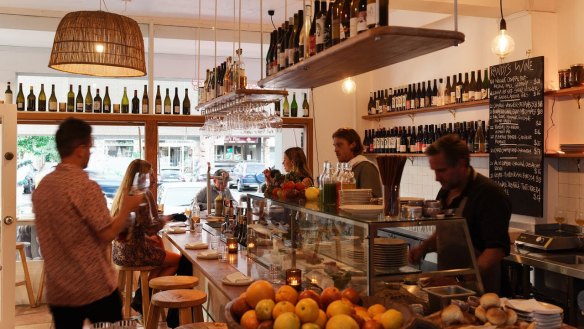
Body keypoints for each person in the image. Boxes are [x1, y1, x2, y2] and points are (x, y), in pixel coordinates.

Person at [32, 118, 143, 329]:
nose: (90, 153)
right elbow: (107, 233)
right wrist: (128, 207)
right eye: (90, 147)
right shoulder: (84, 186)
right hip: (94, 286)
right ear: (80, 149)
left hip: (59, 290)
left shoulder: (43, 187)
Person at [408, 134, 512, 294]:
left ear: (461, 164)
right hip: (449, 287)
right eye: (434, 171)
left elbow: (495, 250)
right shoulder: (445, 191)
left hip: (481, 290)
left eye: (442, 170)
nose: (436, 178)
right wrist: (425, 247)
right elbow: (447, 231)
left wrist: (458, 279)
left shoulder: (489, 194)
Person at [111, 159, 181, 280]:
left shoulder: (125, 192)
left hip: (119, 253)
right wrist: (167, 218)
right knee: (178, 260)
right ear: (142, 177)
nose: (154, 179)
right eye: (151, 175)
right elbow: (151, 229)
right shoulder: (141, 197)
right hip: (134, 254)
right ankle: (150, 294)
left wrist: (146, 237)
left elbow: (131, 227)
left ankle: (143, 295)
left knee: (158, 251)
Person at [332, 128, 382, 197]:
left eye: (339, 145)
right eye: (335, 146)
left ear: (352, 145)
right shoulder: (342, 170)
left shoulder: (366, 167)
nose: (335, 150)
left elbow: (372, 200)